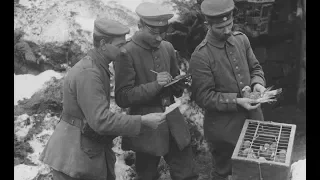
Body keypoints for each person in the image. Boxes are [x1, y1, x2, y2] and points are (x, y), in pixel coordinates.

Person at [39, 17, 166, 180]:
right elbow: (100, 120)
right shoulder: (90, 74)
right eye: (119, 45)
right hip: (75, 157)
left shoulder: (97, 67)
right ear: (103, 44)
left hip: (81, 152)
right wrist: (141, 121)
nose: (123, 50)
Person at [114, 2, 198, 180]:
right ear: (140, 26)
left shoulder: (167, 47)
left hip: (173, 120)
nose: (159, 38)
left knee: (187, 172)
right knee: (147, 175)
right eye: (154, 32)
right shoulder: (125, 53)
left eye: (163, 32)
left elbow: (175, 88)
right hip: (146, 126)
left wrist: (181, 83)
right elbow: (122, 97)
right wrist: (155, 85)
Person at [189, 0, 266, 179]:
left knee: (257, 169)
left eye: (229, 24)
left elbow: (256, 68)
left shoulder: (241, 39)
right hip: (224, 130)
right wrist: (237, 101)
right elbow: (203, 97)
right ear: (208, 24)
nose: (226, 31)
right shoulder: (201, 56)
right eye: (220, 27)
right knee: (226, 172)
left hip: (254, 120)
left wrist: (257, 83)